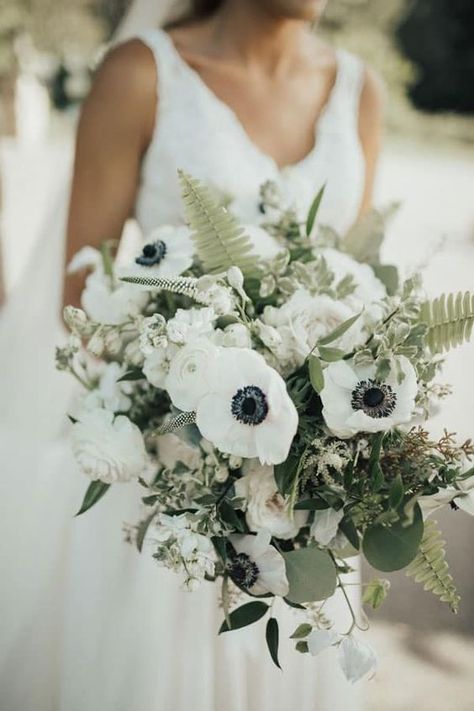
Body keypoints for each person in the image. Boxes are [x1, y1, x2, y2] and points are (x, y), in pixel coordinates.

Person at [0, 1, 383, 710]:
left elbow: (355, 286)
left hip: (302, 506)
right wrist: (208, 364)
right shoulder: (143, 74)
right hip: (168, 503)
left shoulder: (361, 90)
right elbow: (81, 304)